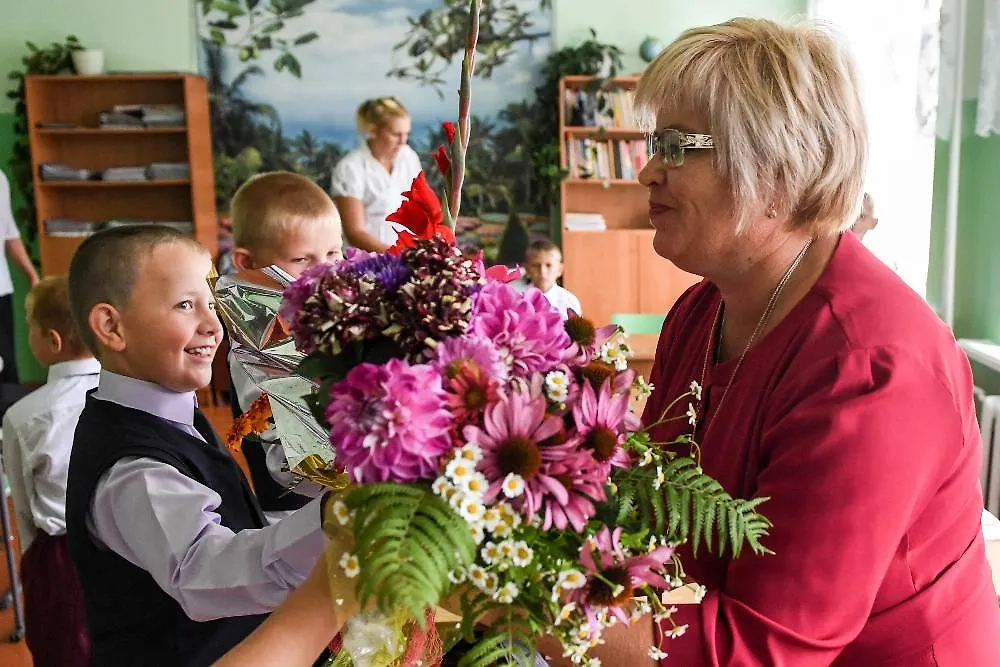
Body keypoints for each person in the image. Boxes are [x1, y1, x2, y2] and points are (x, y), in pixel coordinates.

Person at [581, 17, 1000, 666]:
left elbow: (761, 648)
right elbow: (656, 503)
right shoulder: (701, 310)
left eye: (675, 146)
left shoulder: (871, 366)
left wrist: (537, 612)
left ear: (775, 170)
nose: (648, 172)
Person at [64, 225, 330, 666]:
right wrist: (336, 516)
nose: (213, 325)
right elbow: (207, 570)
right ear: (111, 326)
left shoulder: (169, 407)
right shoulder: (132, 469)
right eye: (186, 305)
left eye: (211, 302)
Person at [229, 171, 344, 523]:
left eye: (332, 252)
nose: (323, 271)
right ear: (247, 264)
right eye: (301, 260)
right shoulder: (260, 340)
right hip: (298, 520)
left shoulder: (329, 314)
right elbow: (290, 465)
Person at [2, 275, 96, 667]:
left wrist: (33, 569)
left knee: (66, 650)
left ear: (52, 341)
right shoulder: (130, 393)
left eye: (30, 327)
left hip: (60, 557)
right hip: (131, 546)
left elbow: (23, 511)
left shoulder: (24, 415)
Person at [330, 97, 422, 252]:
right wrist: (398, 256)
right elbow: (354, 233)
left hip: (408, 255)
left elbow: (420, 206)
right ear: (372, 131)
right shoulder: (350, 168)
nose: (402, 141)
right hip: (368, 263)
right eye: (396, 134)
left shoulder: (409, 157)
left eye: (406, 134)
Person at [0, 169, 40, 382]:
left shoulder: (0, 178)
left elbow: (9, 233)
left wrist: (32, 276)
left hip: (1, 290)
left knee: (6, 369)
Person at [512, 239, 582, 320]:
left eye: (548, 265)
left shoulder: (569, 302)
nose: (542, 271)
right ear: (527, 269)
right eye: (536, 265)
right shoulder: (516, 296)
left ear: (560, 269)